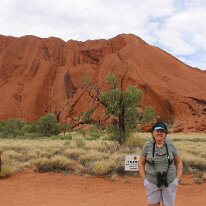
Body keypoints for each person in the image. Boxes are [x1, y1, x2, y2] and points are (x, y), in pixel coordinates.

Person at [139, 122, 183, 206]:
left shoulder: (171, 146)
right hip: (152, 182)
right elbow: (141, 163)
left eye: (162, 131)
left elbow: (179, 162)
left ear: (165, 134)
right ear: (153, 133)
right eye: (157, 131)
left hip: (169, 182)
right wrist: (144, 180)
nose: (159, 133)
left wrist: (177, 179)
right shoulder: (147, 146)